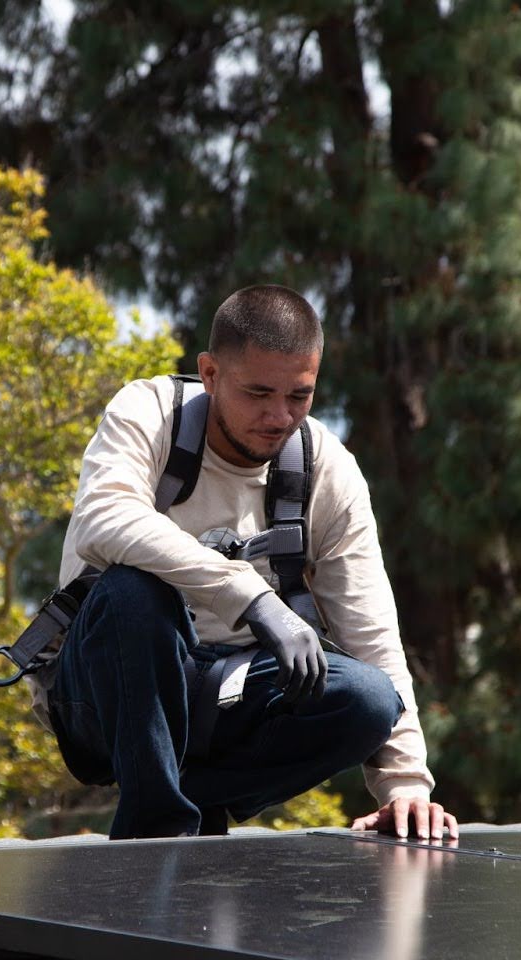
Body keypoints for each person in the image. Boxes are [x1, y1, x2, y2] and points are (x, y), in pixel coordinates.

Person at [36, 284, 458, 841]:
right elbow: (103, 517)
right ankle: (160, 833)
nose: (279, 416)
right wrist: (251, 597)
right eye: (258, 392)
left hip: (223, 697)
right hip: (102, 695)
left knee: (369, 698)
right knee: (134, 591)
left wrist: (406, 786)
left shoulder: (325, 470)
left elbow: (371, 634)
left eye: (299, 396)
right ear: (210, 374)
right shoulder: (149, 413)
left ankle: (190, 800)